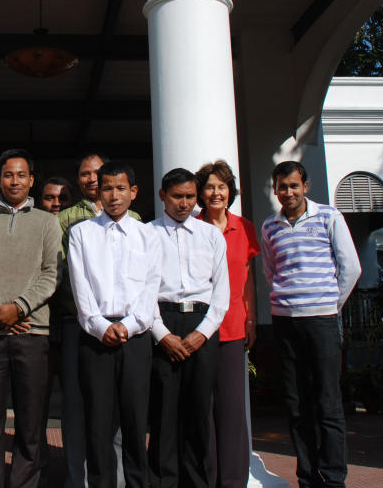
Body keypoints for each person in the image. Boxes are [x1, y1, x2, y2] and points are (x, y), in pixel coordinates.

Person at [0, 149, 61, 488]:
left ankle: (23, 483)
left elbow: (52, 274)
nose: (14, 180)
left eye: (21, 175)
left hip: (33, 332)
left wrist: (17, 308)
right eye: (8, 174)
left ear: (31, 180)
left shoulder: (47, 222)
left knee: (31, 421)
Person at [261, 161, 361, 488]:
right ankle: (307, 476)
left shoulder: (330, 217)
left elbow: (351, 267)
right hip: (286, 323)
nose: (288, 193)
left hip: (322, 321)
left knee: (328, 402)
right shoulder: (269, 227)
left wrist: (329, 304)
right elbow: (272, 271)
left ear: (305, 185)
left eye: (293, 186)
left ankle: (333, 479)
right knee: (295, 403)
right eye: (281, 187)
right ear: (275, 190)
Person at [68, 161, 161, 488]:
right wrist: (99, 326)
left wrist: (132, 325)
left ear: (133, 193)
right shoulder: (81, 233)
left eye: (121, 188)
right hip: (95, 339)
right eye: (107, 188)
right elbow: (81, 287)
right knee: (98, 423)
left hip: (135, 339)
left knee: (136, 421)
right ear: (97, 192)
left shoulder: (148, 234)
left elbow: (151, 288)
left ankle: (137, 483)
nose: (114, 195)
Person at [55, 154, 139, 488]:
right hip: (78, 321)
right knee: (77, 408)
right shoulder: (65, 220)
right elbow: (70, 274)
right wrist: (92, 317)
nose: (93, 180)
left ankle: (115, 479)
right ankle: (79, 479)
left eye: (98, 174)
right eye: (85, 174)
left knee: (117, 407)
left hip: (123, 325)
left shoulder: (134, 220)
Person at [147, 168, 229, 488]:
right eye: (177, 196)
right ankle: (163, 481)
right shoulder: (147, 234)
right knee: (164, 413)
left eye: (190, 197)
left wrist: (202, 333)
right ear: (162, 196)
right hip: (162, 323)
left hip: (201, 324)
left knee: (198, 414)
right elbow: (141, 289)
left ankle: (198, 482)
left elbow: (221, 292)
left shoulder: (211, 235)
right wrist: (161, 334)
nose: (184, 203)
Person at [195, 160, 260, 488]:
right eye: (209, 186)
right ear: (200, 193)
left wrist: (252, 318)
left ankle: (234, 480)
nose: (215, 192)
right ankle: (207, 477)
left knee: (232, 409)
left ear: (229, 191)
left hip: (234, 327)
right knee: (201, 410)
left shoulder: (244, 227)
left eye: (221, 186)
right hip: (198, 329)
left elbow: (248, 279)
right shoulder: (191, 227)